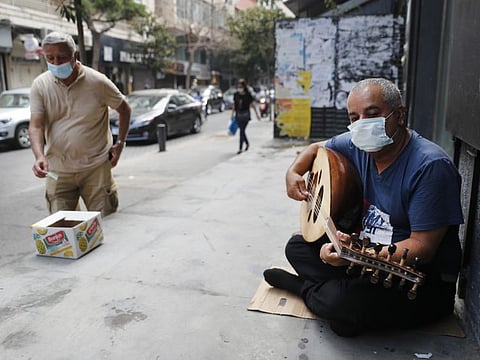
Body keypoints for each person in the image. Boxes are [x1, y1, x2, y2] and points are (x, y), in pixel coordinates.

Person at [263, 78, 463, 337]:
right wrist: (293, 172)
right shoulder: (356, 145)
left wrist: (351, 254)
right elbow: (314, 149)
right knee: (297, 246)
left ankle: (304, 288)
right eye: (354, 118)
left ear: (400, 115)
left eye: (372, 114)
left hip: (416, 279)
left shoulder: (430, 167)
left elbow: (422, 248)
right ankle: (336, 290)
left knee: (342, 310)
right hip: (363, 259)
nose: (361, 125)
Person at [29, 31, 131, 217]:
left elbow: (124, 109)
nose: (56, 63)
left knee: (107, 224)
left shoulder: (97, 82)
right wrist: (39, 156)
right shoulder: (40, 85)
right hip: (58, 170)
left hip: (96, 168)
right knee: (63, 227)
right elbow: (36, 125)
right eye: (50, 58)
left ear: (75, 56)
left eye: (62, 58)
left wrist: (120, 145)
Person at [231, 79, 260, 154]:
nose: (239, 88)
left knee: (242, 131)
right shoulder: (236, 95)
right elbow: (234, 105)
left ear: (244, 87)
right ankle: (244, 145)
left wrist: (257, 114)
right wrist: (232, 115)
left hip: (246, 114)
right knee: (242, 131)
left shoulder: (248, 95)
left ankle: (242, 147)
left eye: (241, 86)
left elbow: (252, 105)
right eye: (238, 86)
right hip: (238, 115)